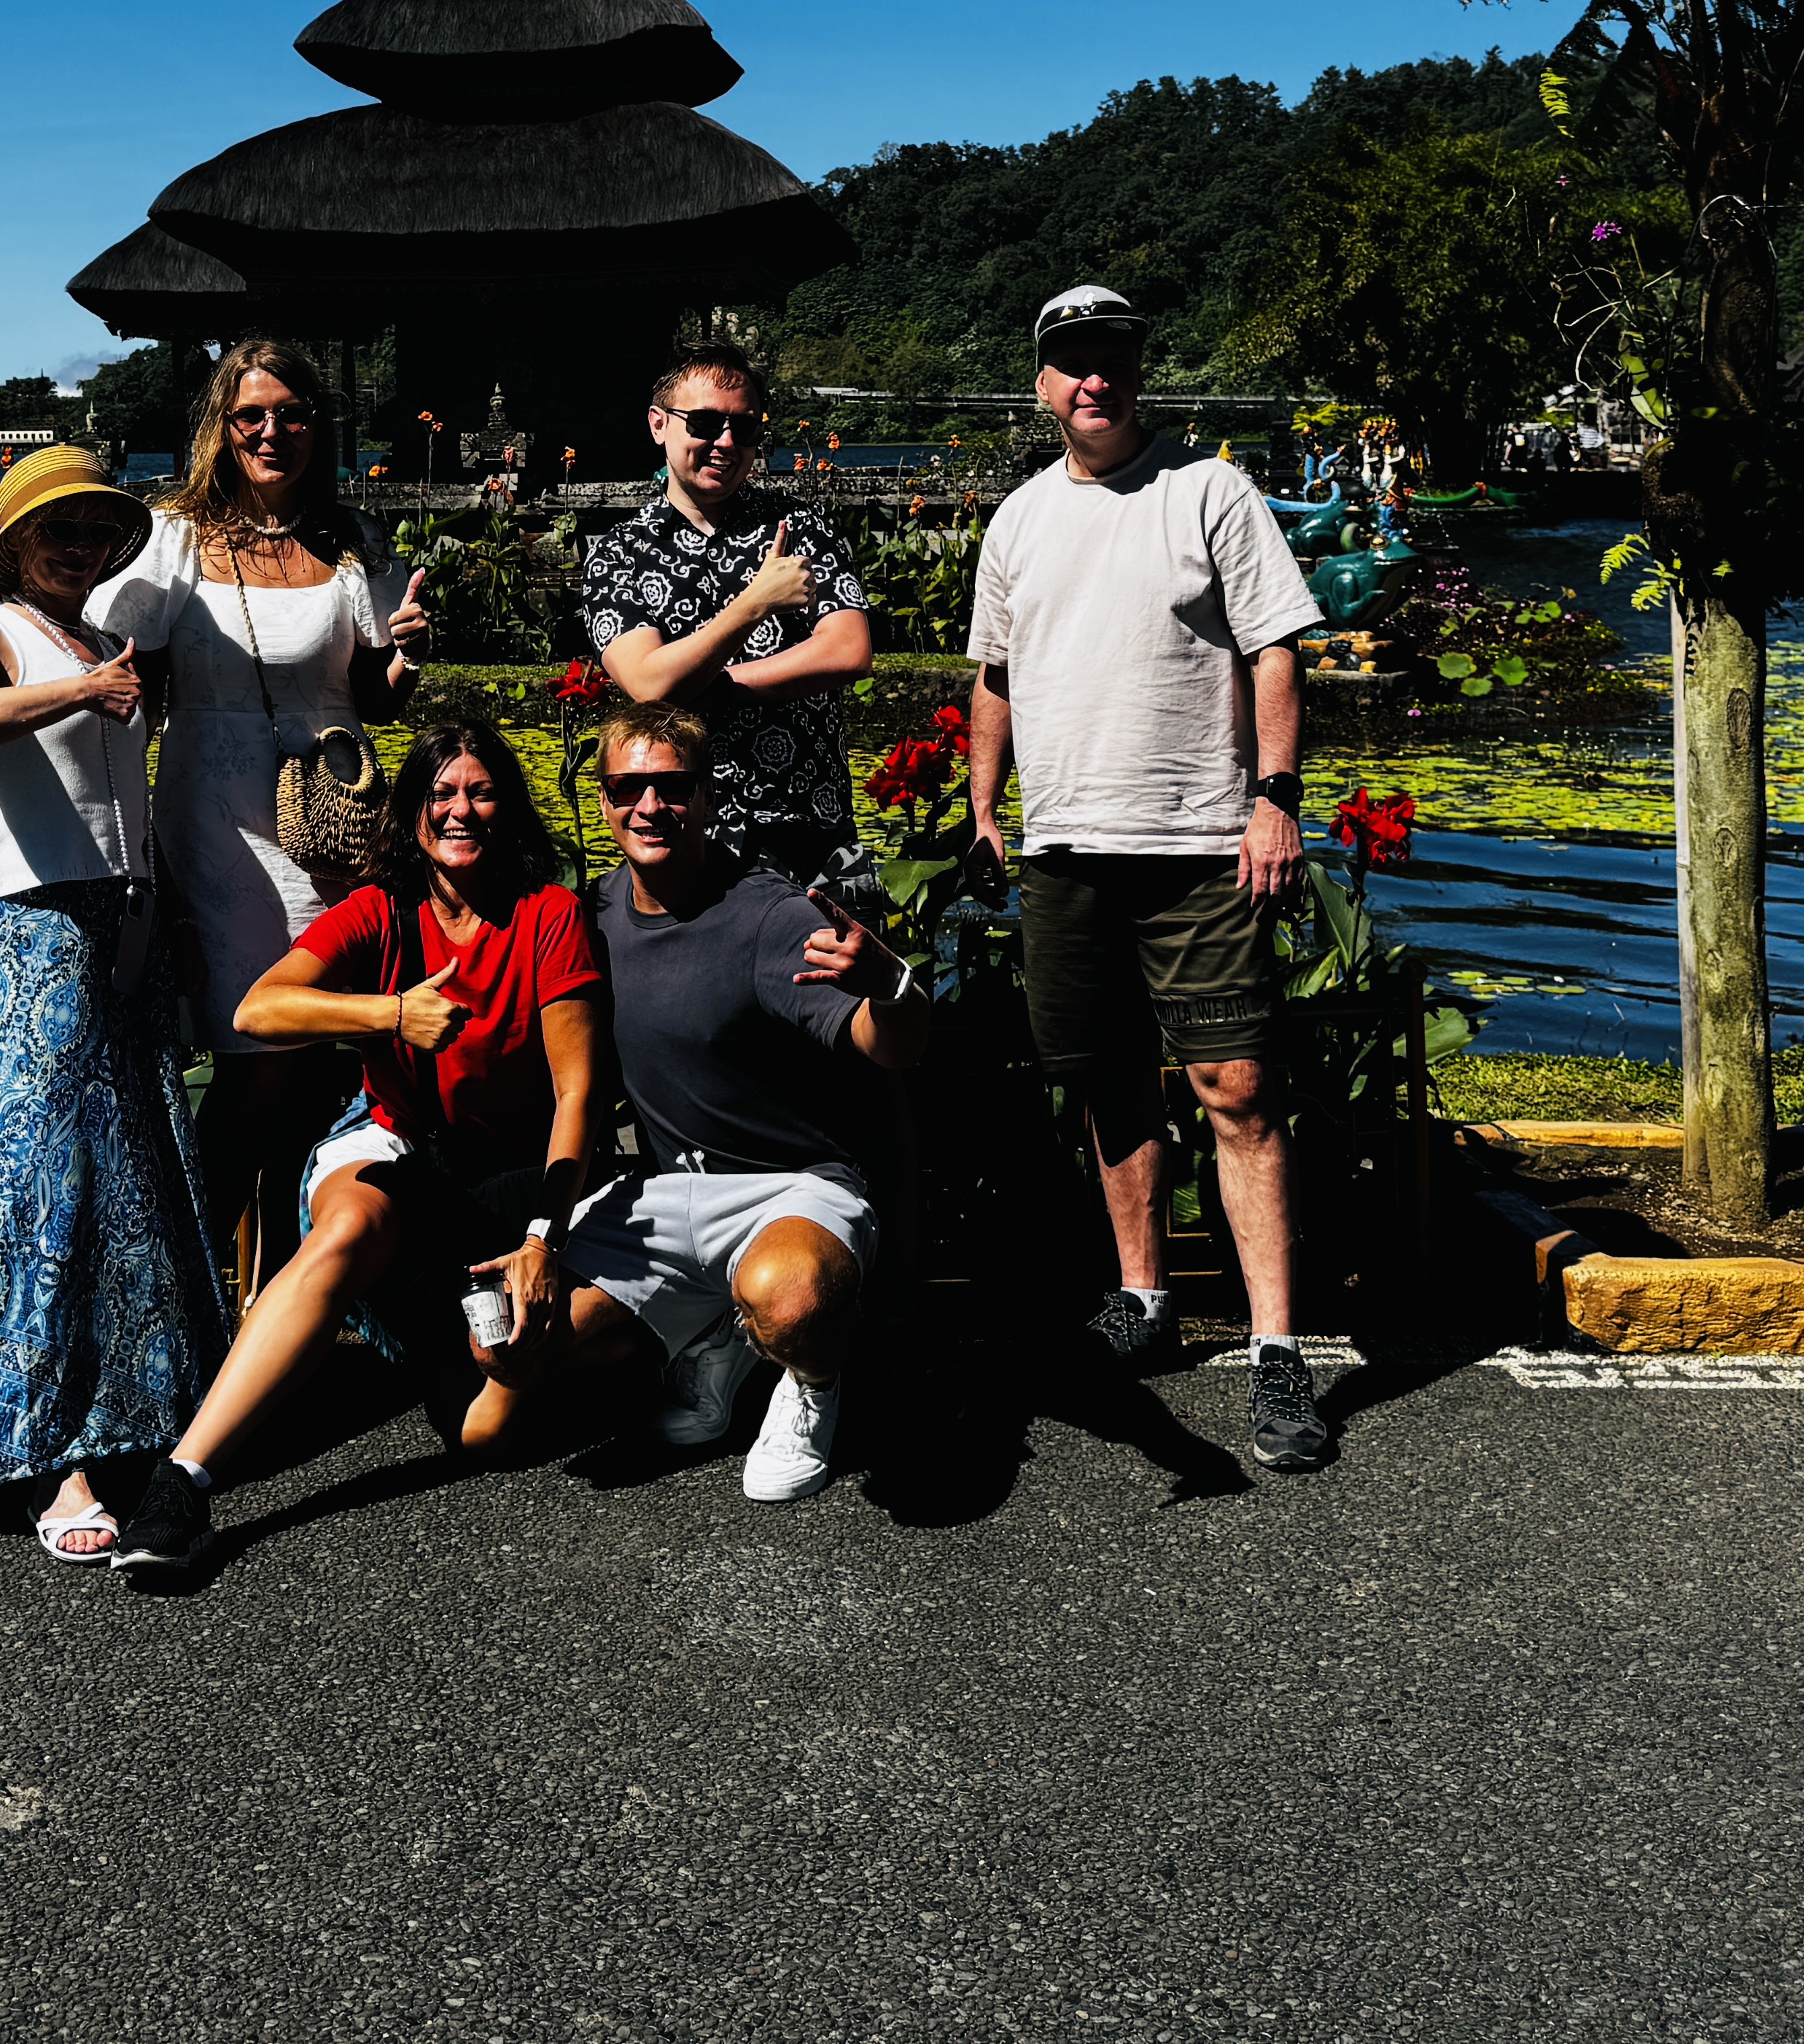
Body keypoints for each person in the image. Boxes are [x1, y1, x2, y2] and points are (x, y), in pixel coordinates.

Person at [965, 281, 1331, 1474]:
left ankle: (1278, 1348)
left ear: (1137, 368)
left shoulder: (1207, 490)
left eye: (1111, 355)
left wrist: (1273, 799)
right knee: (1108, 1085)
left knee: (1236, 1087)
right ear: (1043, 381)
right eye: (1070, 359)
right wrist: (981, 804)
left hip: (1194, 845)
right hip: (1065, 846)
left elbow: (1274, 644)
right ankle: (1143, 1294)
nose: (1093, 378)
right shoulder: (1017, 517)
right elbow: (996, 674)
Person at [109, 718, 604, 1574]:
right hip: (399, 1147)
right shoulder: (378, 912)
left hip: (516, 1183)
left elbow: (579, 1093)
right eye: (441, 794)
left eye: (481, 792)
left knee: (480, 1432)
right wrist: (389, 1012)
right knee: (340, 1233)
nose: (461, 811)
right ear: (411, 813)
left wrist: (540, 1238)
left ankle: (466, 1332)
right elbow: (258, 1010)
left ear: (509, 808)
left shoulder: (547, 915)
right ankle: (183, 1481)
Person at [0, 445, 226, 1563]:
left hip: (124, 923)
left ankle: (134, 1418)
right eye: (60, 532)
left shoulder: (106, 642)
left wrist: (169, 913)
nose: (82, 548)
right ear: (15, 544)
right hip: (32, 927)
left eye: (97, 531)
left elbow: (123, 800)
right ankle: (58, 1460)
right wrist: (86, 691)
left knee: (133, 1179)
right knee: (44, 1185)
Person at [91, 340, 432, 1255]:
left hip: (335, 820)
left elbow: (370, 701)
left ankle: (292, 1290)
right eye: (251, 416)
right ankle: (189, 1287)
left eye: (291, 412)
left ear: (319, 425)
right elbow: (128, 681)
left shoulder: (349, 538)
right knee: (257, 1064)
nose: (272, 431)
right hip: (220, 827)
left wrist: (406, 652)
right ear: (222, 428)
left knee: (327, 1062)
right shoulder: (176, 538)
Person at [553, 699, 924, 1505]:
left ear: (710, 797)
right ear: (606, 799)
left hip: (791, 1189)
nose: (649, 807)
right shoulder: (591, 914)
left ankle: (812, 1375)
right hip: (664, 1193)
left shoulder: (770, 915)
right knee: (532, 1340)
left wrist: (892, 986)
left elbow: (885, 1048)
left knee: (789, 1299)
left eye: (673, 787)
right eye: (627, 788)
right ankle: (719, 1335)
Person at [577, 340, 876, 882]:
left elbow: (849, 650)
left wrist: (712, 686)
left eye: (746, 427)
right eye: (706, 424)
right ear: (658, 424)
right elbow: (649, 682)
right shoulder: (621, 552)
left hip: (811, 834)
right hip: (688, 844)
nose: (727, 443)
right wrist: (757, 603)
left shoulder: (799, 526)